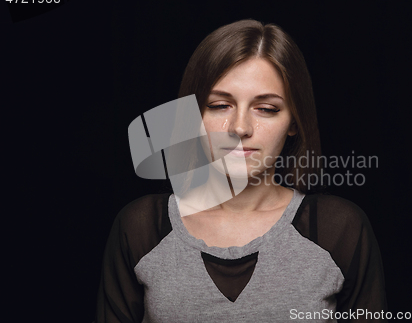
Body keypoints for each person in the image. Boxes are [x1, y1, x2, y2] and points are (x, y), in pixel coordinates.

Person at [96, 19, 387, 322]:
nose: (239, 127)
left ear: (294, 123)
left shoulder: (339, 230)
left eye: (266, 108)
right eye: (220, 104)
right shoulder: (142, 228)